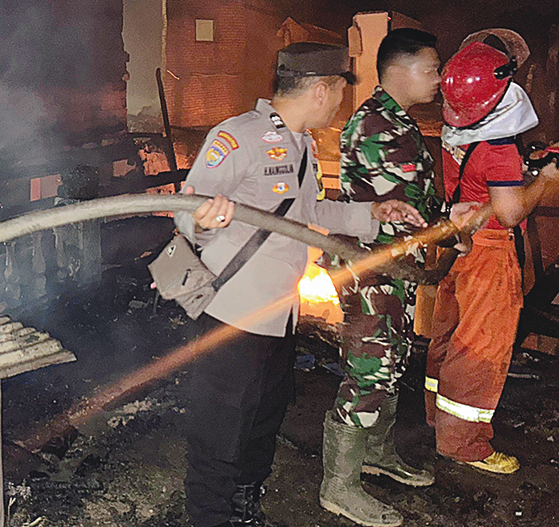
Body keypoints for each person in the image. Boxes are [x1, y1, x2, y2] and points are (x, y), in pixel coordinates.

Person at [177, 42, 427, 527]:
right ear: (321, 89)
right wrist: (204, 221)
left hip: (279, 315)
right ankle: (208, 518)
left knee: (262, 423)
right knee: (219, 433)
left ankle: (244, 509)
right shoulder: (237, 137)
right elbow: (190, 213)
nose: (340, 103)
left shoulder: (302, 143)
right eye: (339, 92)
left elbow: (306, 213)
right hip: (233, 316)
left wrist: (372, 214)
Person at [424, 29, 559, 474]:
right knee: (482, 349)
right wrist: (544, 180)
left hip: (456, 242)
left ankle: (439, 417)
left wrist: (533, 163)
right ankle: (465, 444)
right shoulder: (499, 144)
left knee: (449, 337)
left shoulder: (456, 124)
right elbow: (510, 211)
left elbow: (484, 179)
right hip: (489, 249)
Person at [318, 28, 440, 527]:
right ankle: (339, 486)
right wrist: (454, 228)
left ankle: (377, 455)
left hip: (397, 267)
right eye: (432, 68)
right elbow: (404, 208)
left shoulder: (399, 122)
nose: (440, 78)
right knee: (370, 369)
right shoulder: (375, 125)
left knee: (391, 362)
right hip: (372, 267)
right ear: (399, 68)